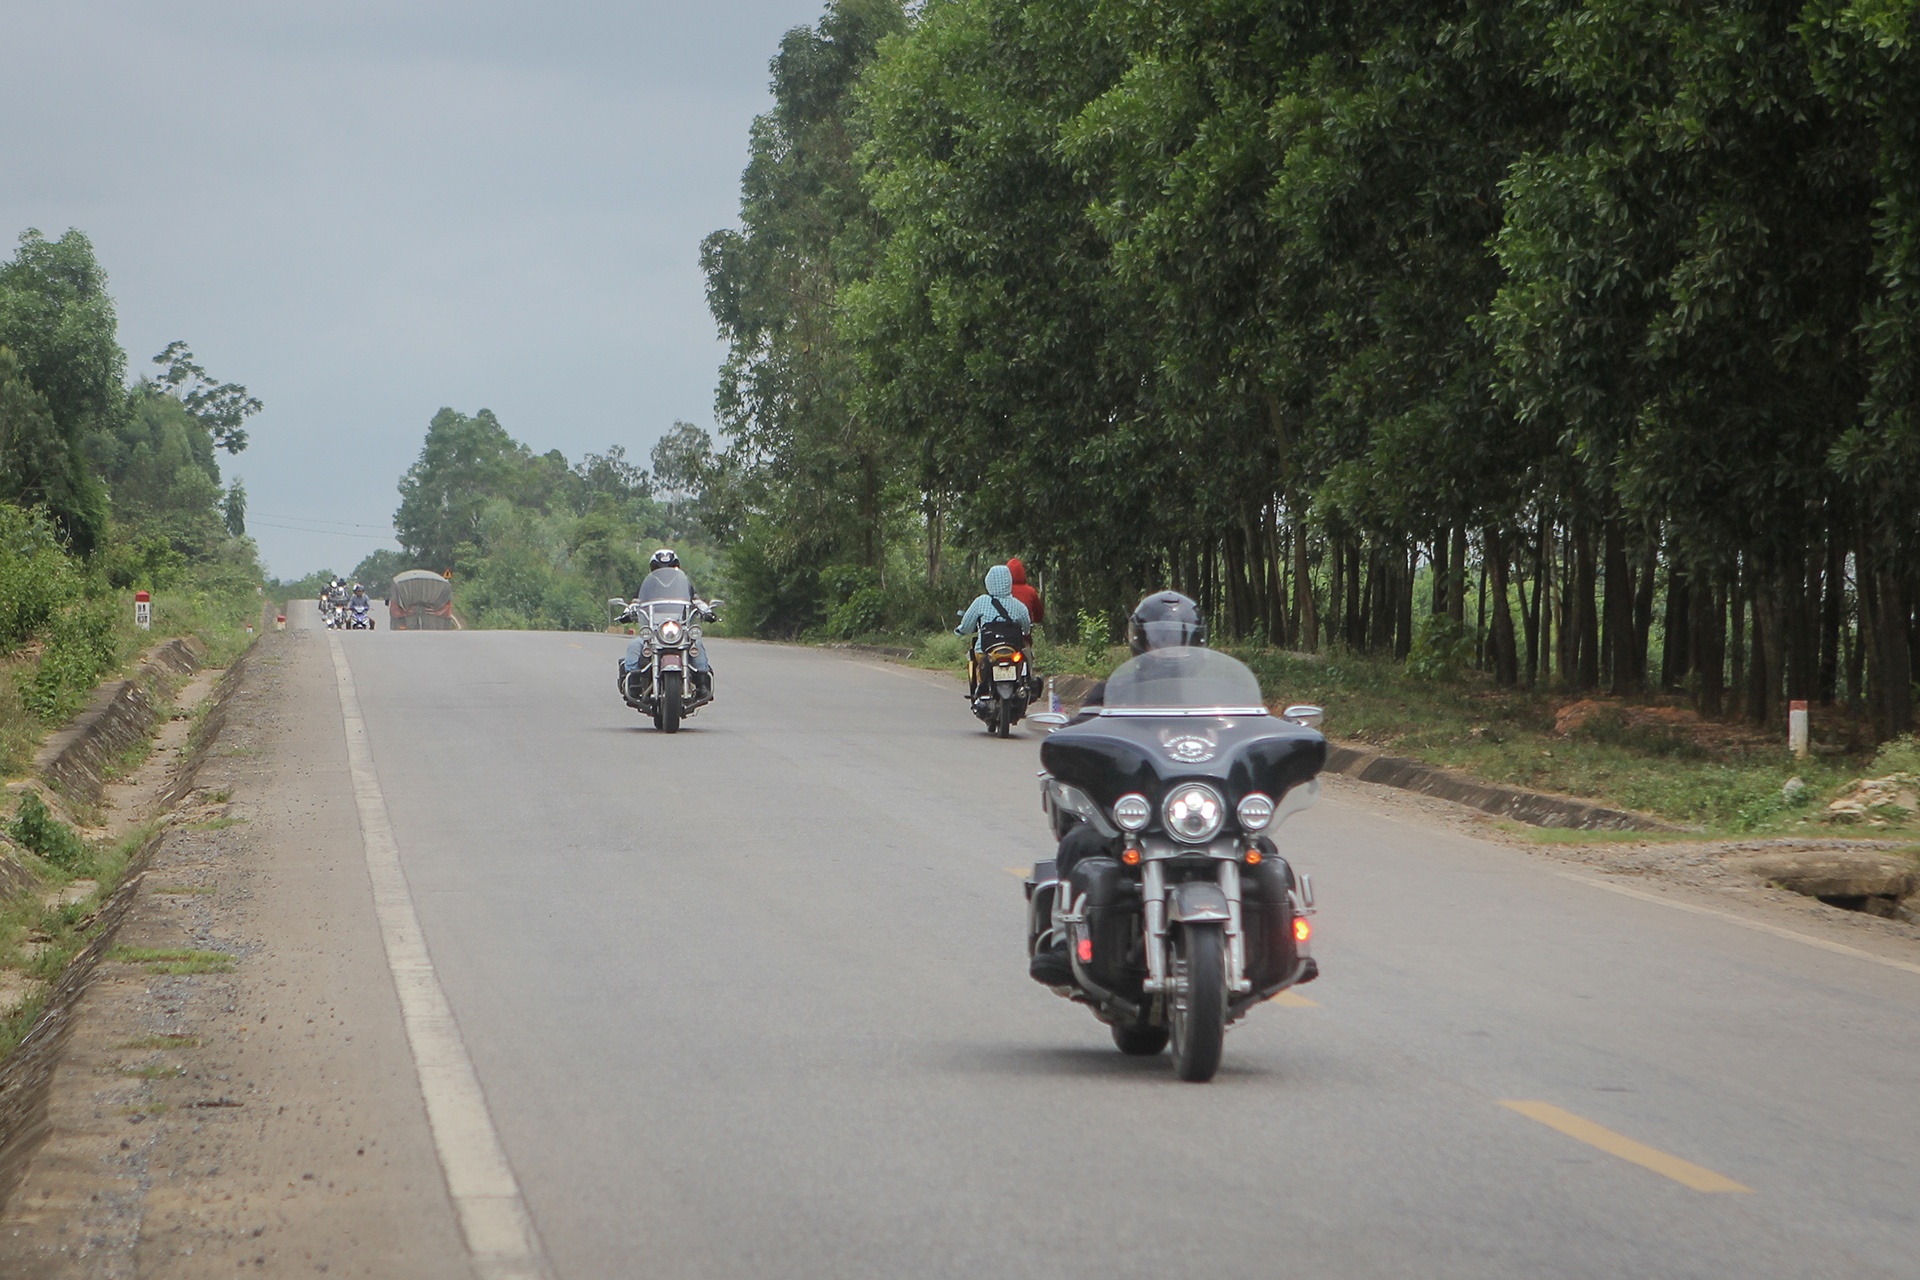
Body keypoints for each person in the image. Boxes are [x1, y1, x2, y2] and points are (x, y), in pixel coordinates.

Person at [1031, 590, 1208, 985]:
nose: (1168, 647)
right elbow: (1081, 730)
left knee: (1261, 850)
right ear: (1140, 640)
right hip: (1133, 815)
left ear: (1197, 641)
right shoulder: (1115, 690)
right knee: (1079, 844)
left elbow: (1245, 734)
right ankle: (1064, 938)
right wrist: (1071, 745)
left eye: (1178, 637)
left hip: (1197, 814)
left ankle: (1278, 940)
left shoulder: (1213, 697)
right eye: (1159, 638)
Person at [618, 549, 715, 700]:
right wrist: (627, 612)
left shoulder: (684, 585)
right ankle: (633, 683)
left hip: (680, 629)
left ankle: (702, 683)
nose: (665, 572)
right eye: (660, 569)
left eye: (670, 567)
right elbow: (636, 602)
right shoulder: (647, 587)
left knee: (697, 647)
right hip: (653, 630)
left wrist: (706, 611)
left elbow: (696, 601)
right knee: (635, 646)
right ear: (653, 570)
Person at [955, 565, 1031, 698]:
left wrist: (960, 631)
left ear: (988, 581)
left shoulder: (981, 602)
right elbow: (1026, 629)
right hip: (1013, 651)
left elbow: (967, 625)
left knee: (976, 657)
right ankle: (1023, 683)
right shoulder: (1019, 606)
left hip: (986, 651)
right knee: (1024, 659)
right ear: (1009, 582)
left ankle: (979, 689)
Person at [1006, 557, 1044, 625]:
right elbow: (1038, 617)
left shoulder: (1004, 591)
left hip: (1004, 633)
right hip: (1025, 633)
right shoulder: (1031, 592)